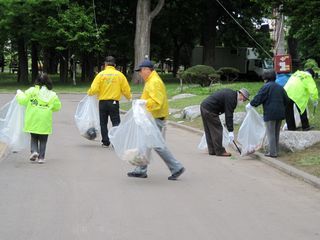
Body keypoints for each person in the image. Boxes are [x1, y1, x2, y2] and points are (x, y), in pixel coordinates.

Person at [127, 60, 185, 180]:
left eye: (141, 71)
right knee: (147, 143)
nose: (140, 74)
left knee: (157, 144)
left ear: (148, 69)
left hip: (155, 118)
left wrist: (143, 103)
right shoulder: (151, 81)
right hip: (153, 117)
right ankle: (141, 169)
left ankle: (176, 167)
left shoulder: (154, 82)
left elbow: (157, 102)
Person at [16, 73, 62, 163]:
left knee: (34, 136)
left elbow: (23, 100)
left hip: (33, 118)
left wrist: (19, 94)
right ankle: (41, 157)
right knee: (43, 139)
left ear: (37, 81)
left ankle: (34, 151)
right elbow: (57, 107)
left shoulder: (32, 91)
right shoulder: (52, 94)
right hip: (45, 120)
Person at [87, 56, 132, 147]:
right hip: (114, 102)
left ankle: (105, 141)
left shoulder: (100, 75)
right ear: (114, 65)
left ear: (105, 64)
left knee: (103, 122)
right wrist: (129, 97)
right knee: (115, 122)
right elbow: (125, 89)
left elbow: (94, 88)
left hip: (103, 102)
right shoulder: (119, 75)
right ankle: (116, 141)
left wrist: (90, 93)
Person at [246, 70, 288, 158]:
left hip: (270, 113)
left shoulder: (266, 87)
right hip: (280, 113)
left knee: (271, 133)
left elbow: (259, 97)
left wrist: (251, 104)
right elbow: (287, 100)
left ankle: (272, 153)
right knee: (276, 133)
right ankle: (276, 151)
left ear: (266, 78)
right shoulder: (280, 87)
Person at [200, 88, 250, 156]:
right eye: (244, 98)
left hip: (204, 107)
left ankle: (212, 150)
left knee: (209, 130)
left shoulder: (232, 95)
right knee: (217, 129)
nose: (243, 101)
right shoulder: (232, 99)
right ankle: (220, 151)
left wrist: (230, 131)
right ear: (241, 94)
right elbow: (229, 115)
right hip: (210, 110)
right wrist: (231, 131)